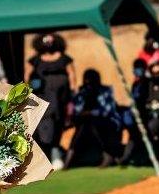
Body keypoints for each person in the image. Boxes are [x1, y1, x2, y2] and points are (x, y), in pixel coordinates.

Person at [27, 33, 75, 170]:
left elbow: (72, 75)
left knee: (59, 123)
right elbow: (27, 76)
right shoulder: (35, 60)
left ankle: (55, 152)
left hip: (61, 99)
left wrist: (72, 93)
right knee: (45, 125)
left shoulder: (64, 59)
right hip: (42, 98)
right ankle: (48, 153)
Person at [67, 69, 122, 167]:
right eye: (86, 80)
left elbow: (108, 111)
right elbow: (77, 110)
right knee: (84, 126)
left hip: (107, 122)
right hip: (86, 123)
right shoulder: (82, 93)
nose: (89, 84)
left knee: (94, 123)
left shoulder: (105, 91)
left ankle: (108, 154)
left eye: (91, 80)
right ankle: (69, 158)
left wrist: (90, 112)